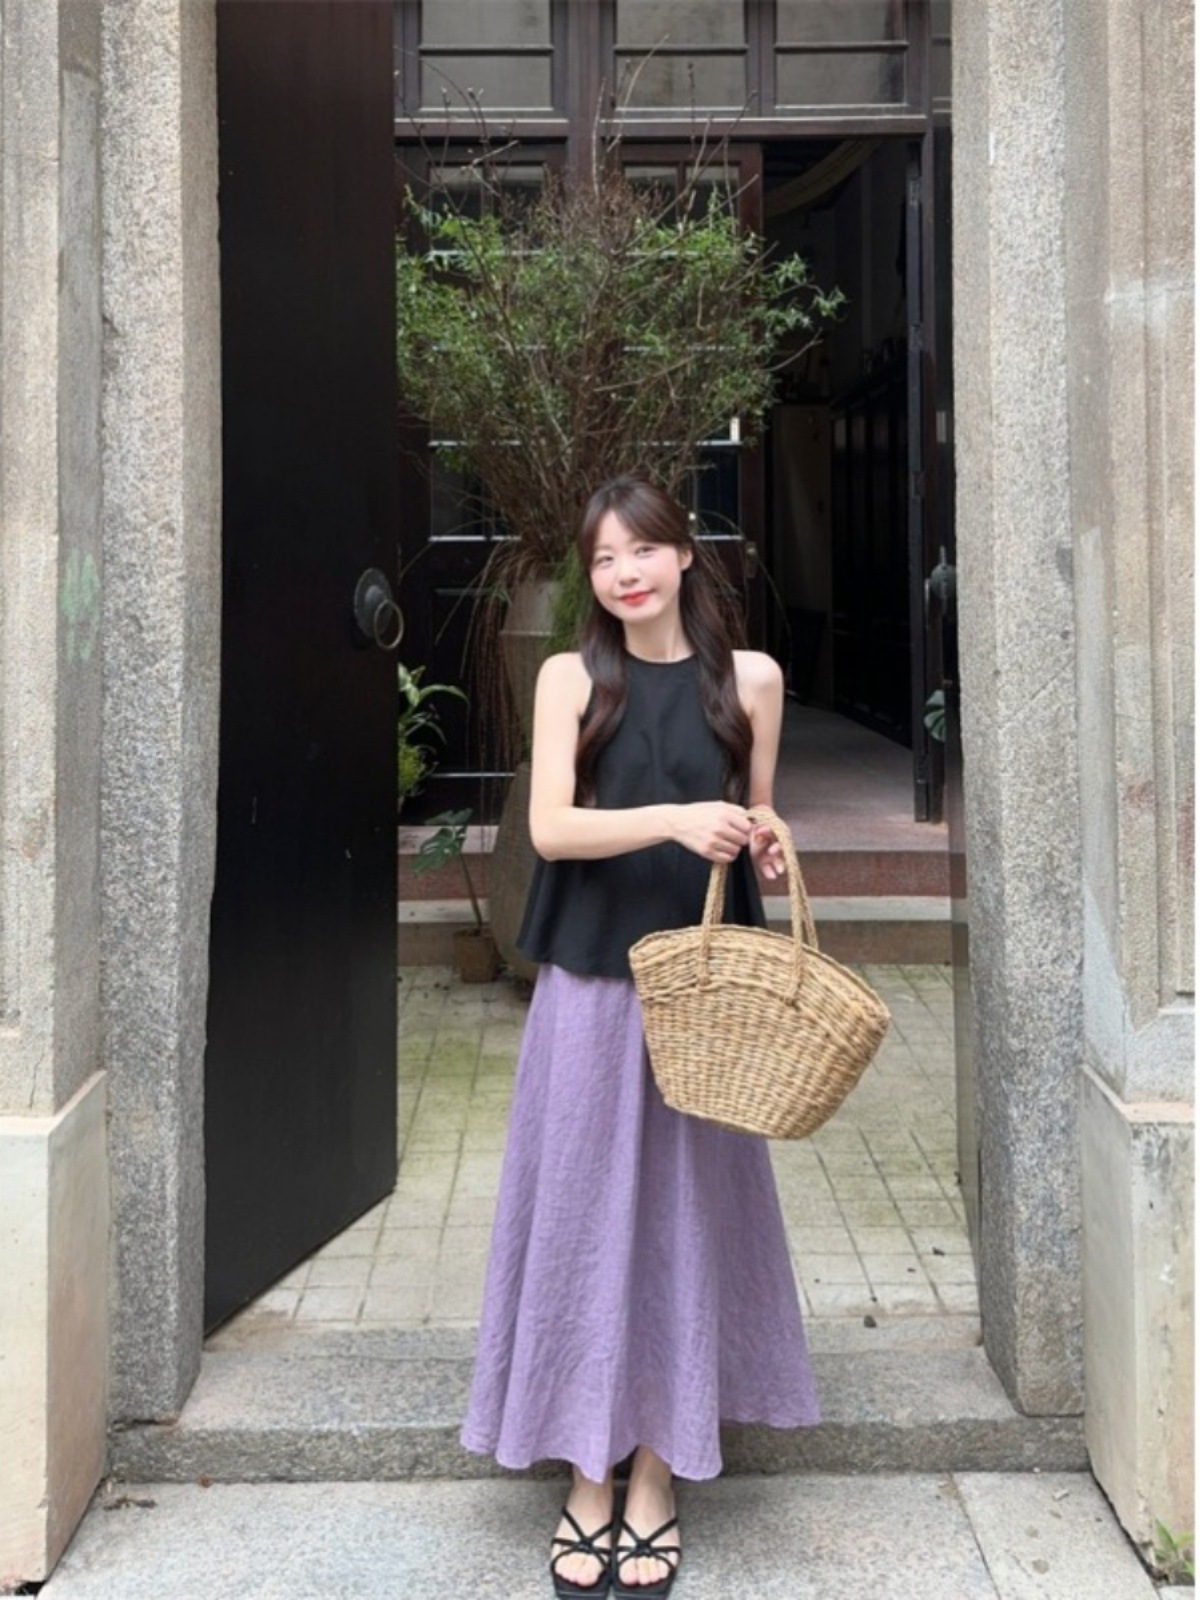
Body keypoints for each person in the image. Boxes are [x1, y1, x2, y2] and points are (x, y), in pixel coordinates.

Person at [461, 475, 820, 1598]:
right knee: (579, 1211)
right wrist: (673, 817)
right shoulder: (573, 677)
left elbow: (756, 813)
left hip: (705, 998)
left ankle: (658, 1467)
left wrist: (763, 838)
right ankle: (587, 1466)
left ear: (684, 554)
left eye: (643, 550)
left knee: (685, 1216)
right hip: (591, 982)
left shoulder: (751, 679)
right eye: (605, 558)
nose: (624, 573)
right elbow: (550, 829)